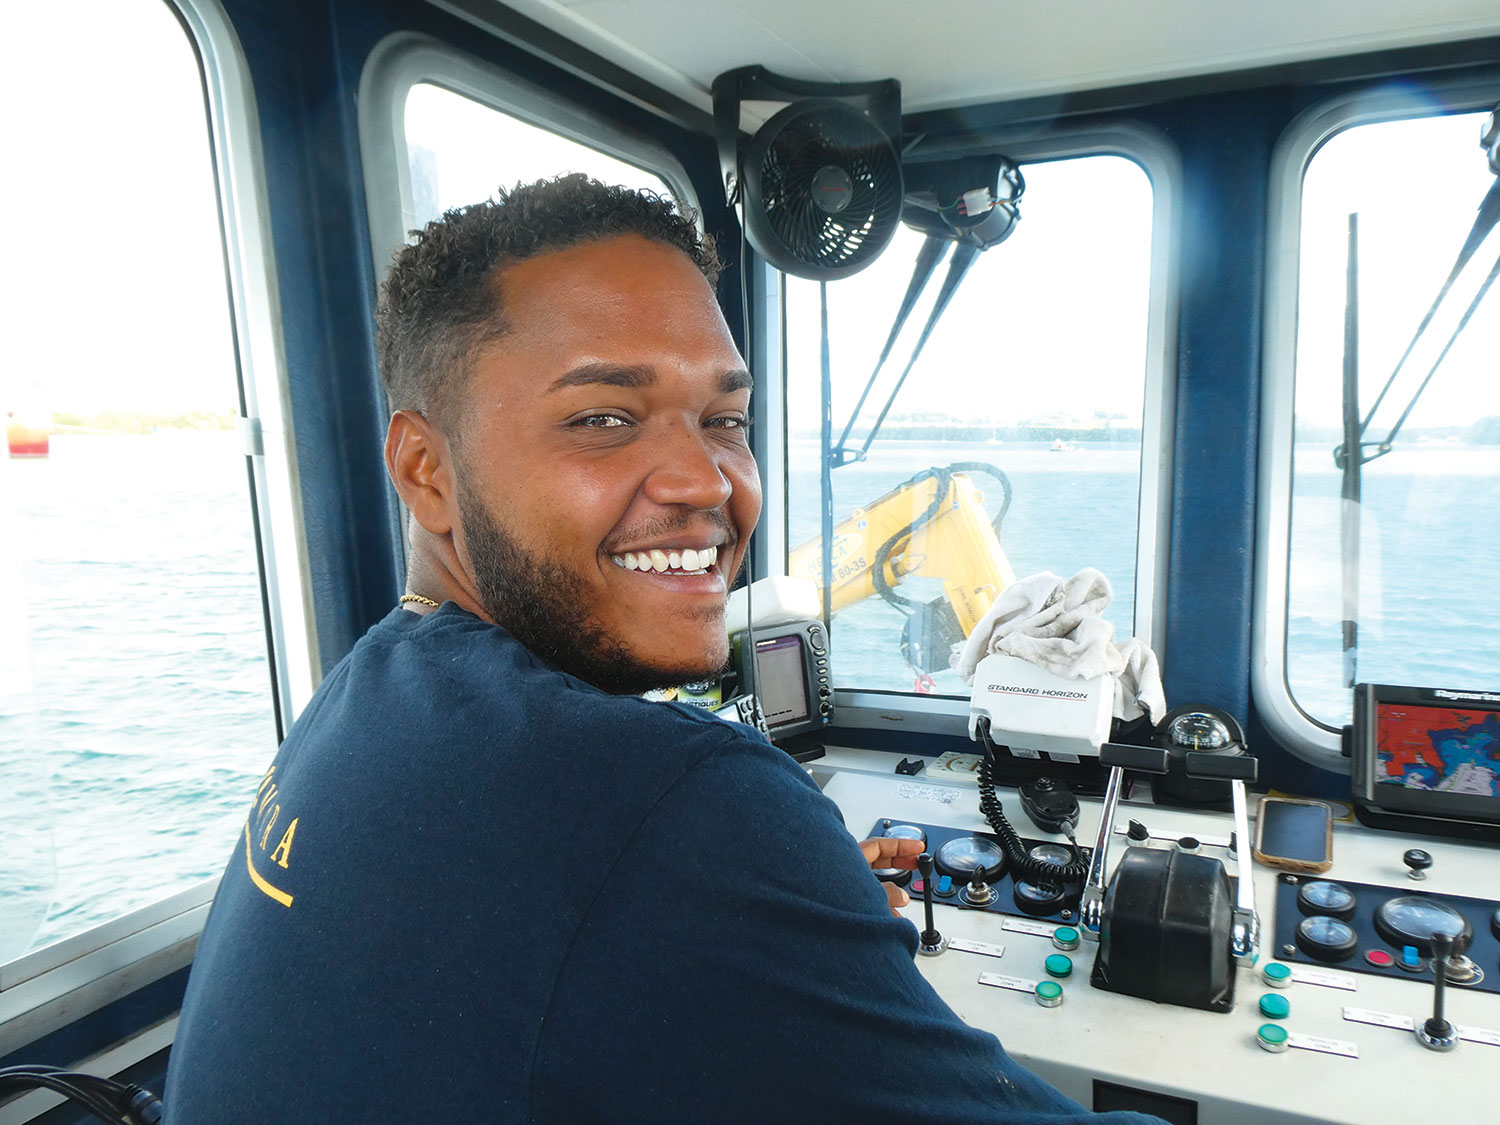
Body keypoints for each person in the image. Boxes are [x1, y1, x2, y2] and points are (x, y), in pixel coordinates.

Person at [166, 175, 1160, 1123]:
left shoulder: (370, 685)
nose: (707, 481)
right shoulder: (675, 808)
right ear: (427, 473)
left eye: (725, 418)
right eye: (604, 418)